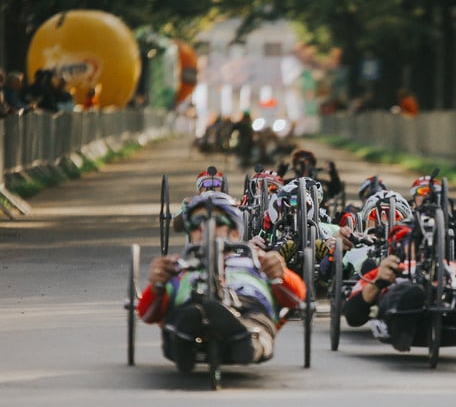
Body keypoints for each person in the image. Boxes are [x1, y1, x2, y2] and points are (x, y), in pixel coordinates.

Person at [136, 191, 306, 372]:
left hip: (248, 304)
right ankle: (183, 338)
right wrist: (157, 286)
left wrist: (280, 275)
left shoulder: (256, 262)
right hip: (191, 303)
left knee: (254, 323)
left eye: (217, 222)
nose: (205, 229)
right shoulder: (178, 266)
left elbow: (297, 298)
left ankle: (247, 342)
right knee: (184, 315)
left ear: (235, 233)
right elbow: (146, 315)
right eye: (196, 224)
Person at [343, 222, 456, 354]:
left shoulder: (453, 268)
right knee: (409, 291)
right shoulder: (384, 269)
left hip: (448, 318)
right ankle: (404, 327)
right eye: (411, 242)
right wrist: (379, 282)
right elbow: (352, 315)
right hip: (396, 318)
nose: (420, 247)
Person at [279, 149, 343, 205]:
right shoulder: (289, 184)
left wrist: (332, 172)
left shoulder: (319, 185)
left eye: (307, 163)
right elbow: (276, 189)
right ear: (295, 165)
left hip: (318, 211)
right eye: (300, 163)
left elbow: (336, 190)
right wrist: (280, 173)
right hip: (294, 209)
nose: (304, 165)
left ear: (312, 165)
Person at [173, 167, 227, 233]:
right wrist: (186, 208)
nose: (211, 186)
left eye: (216, 184)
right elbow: (177, 227)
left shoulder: (228, 201)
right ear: (199, 188)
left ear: (222, 188)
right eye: (206, 183)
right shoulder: (191, 202)